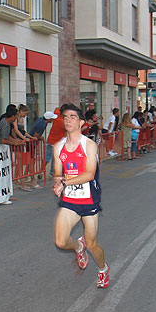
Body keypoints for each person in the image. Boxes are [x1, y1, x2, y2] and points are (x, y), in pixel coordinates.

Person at [52, 103, 109, 288]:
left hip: (89, 200)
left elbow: (90, 174)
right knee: (60, 241)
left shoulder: (89, 145)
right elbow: (58, 174)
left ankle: (103, 269)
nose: (68, 121)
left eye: (73, 117)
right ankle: (78, 247)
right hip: (70, 200)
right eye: (65, 118)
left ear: (81, 122)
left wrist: (65, 183)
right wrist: (58, 183)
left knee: (92, 244)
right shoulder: (58, 147)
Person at [45, 107, 64, 177]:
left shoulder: (57, 115)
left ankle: (44, 170)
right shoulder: (62, 121)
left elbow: (56, 108)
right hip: (56, 141)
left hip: (51, 140)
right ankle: (49, 171)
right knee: (51, 157)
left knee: (50, 157)